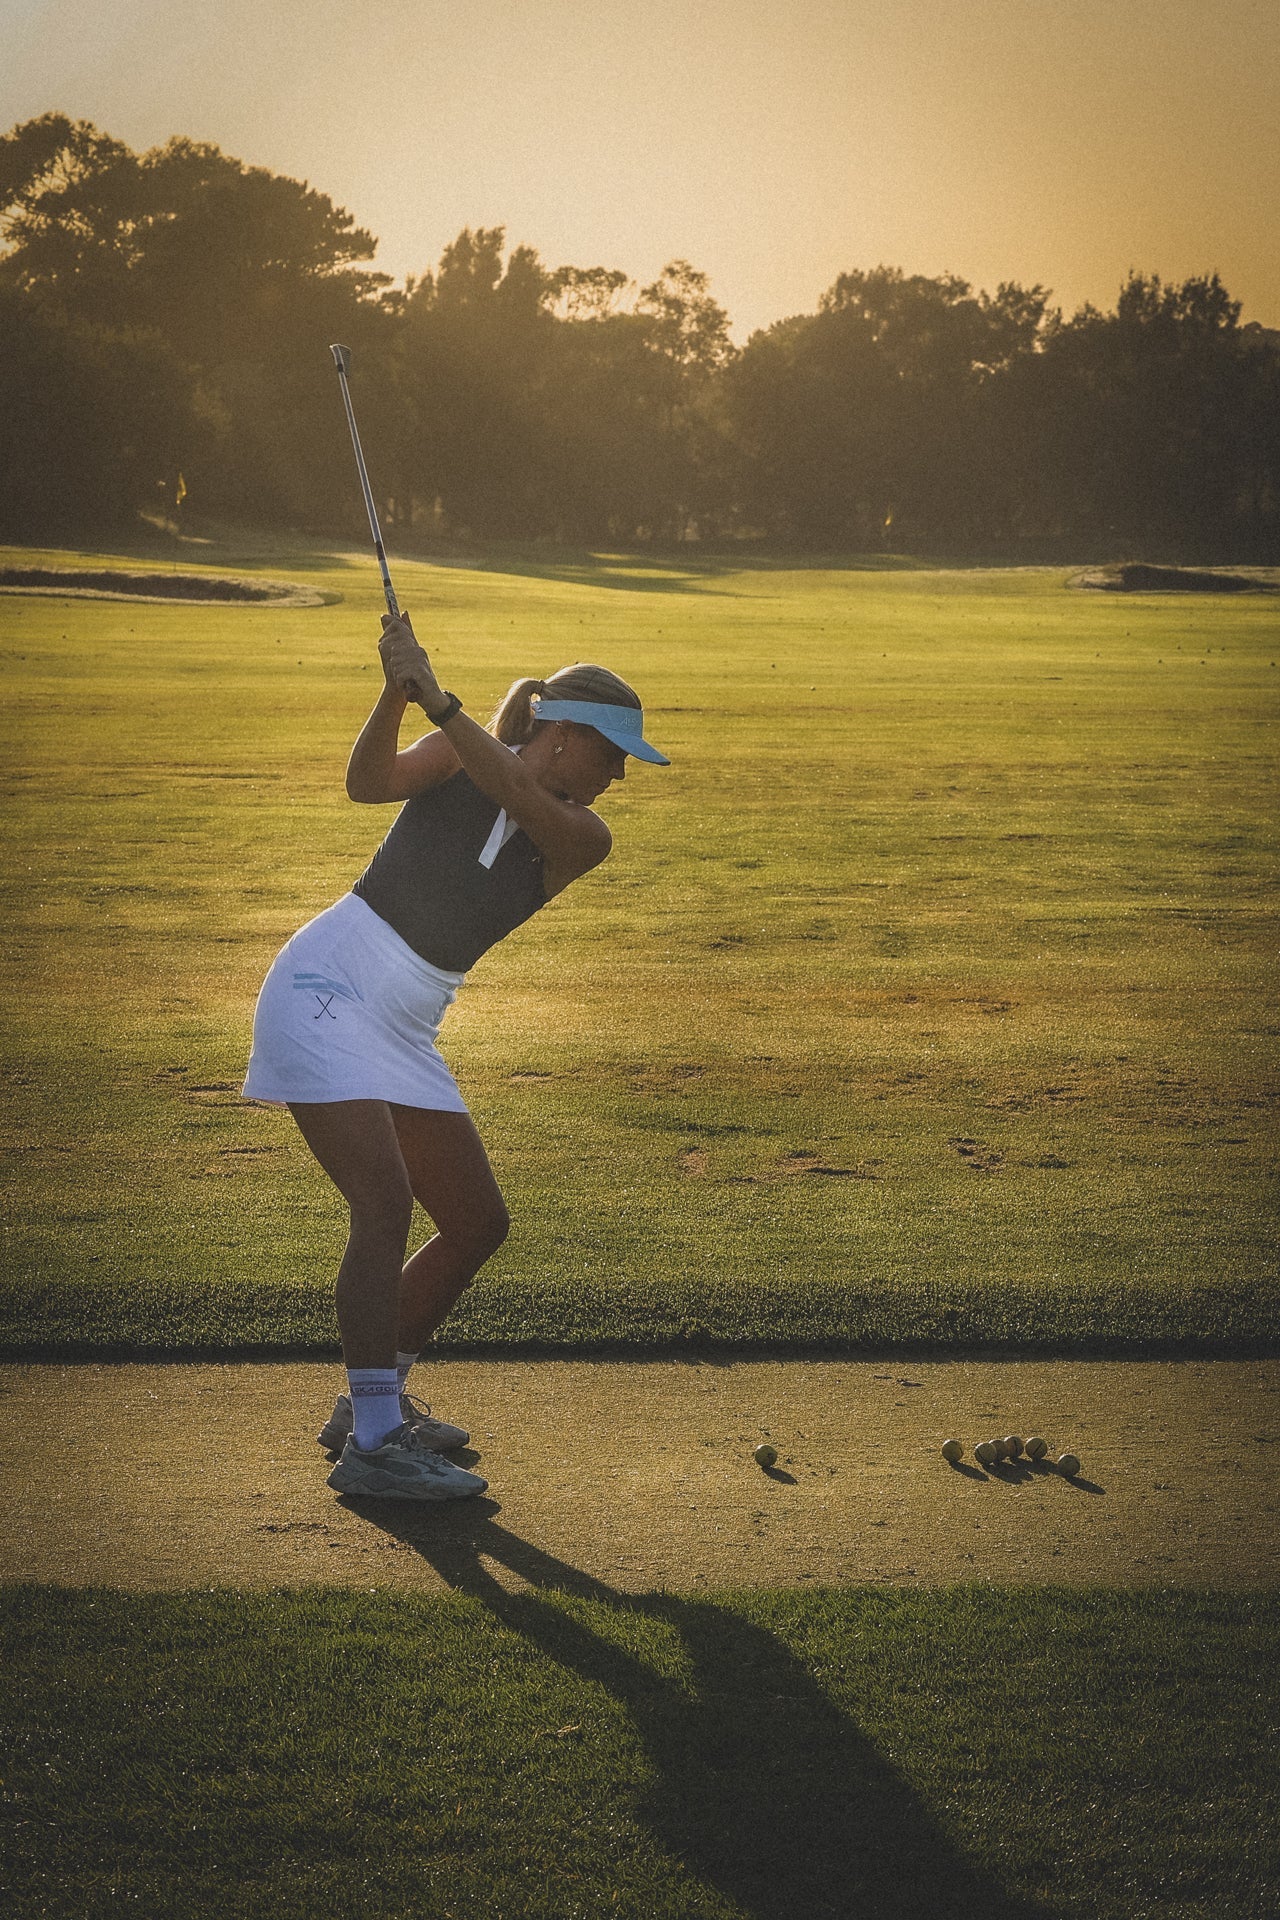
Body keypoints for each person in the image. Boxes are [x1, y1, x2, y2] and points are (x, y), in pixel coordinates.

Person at [243, 609, 669, 1501]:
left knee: (477, 1222)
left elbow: (513, 789)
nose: (620, 776)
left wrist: (439, 700)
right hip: (328, 988)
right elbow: (367, 784)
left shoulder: (583, 836)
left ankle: (370, 1402)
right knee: (385, 1202)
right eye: (613, 755)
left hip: (403, 1029)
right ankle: (374, 1445)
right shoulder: (459, 752)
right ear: (564, 734)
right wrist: (395, 697)